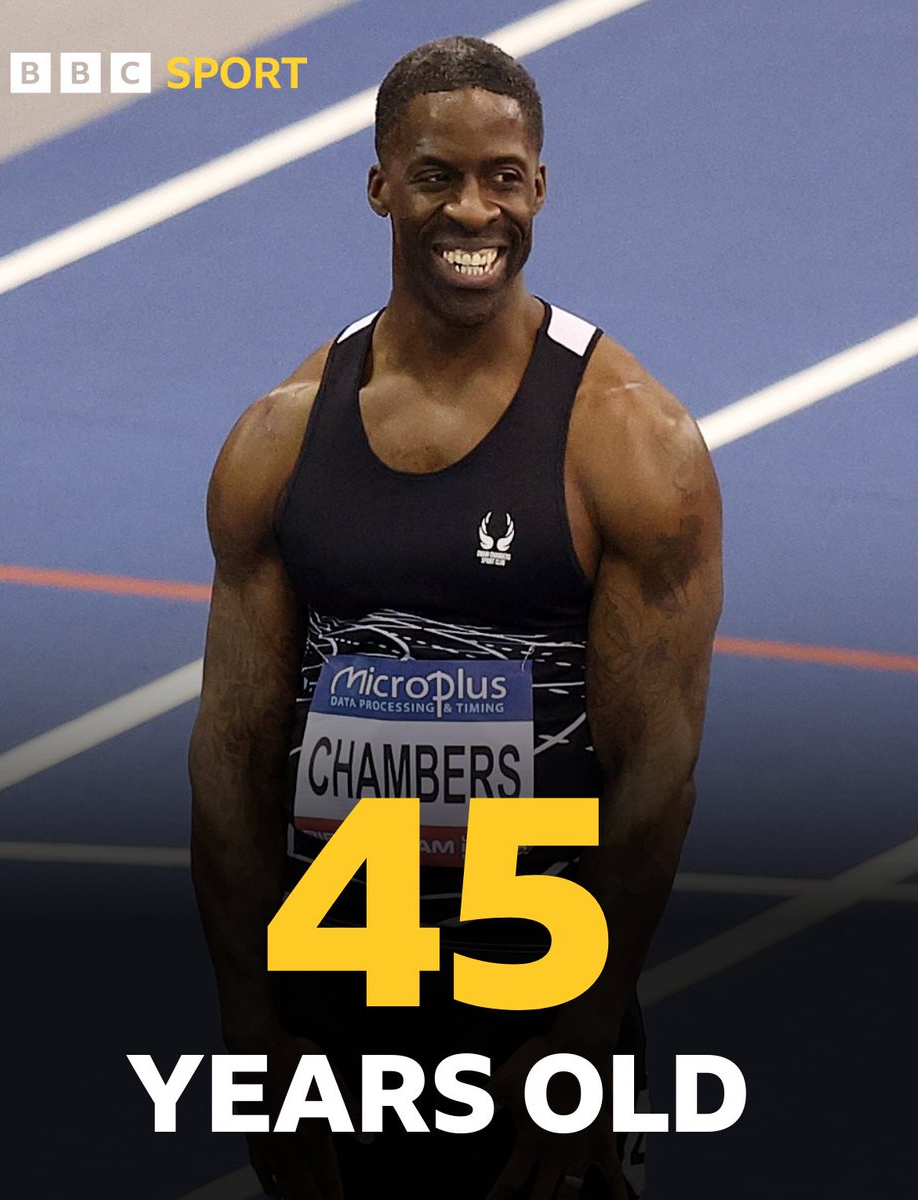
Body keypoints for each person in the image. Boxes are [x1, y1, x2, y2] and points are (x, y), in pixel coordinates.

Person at [189, 35, 722, 1200]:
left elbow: (654, 780)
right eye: (437, 176)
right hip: (336, 989)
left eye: (504, 177)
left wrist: (587, 1033)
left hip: (534, 990)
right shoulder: (279, 437)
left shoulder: (630, 441)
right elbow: (231, 762)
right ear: (382, 184)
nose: (473, 210)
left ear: (539, 186)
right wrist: (251, 1025)